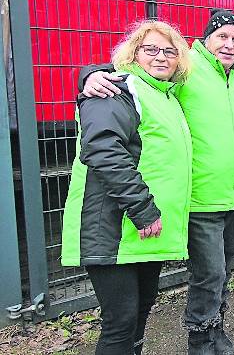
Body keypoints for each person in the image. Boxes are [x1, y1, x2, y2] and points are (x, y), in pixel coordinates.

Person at [80, 9, 234, 354]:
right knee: (208, 276)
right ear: (204, 40)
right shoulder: (187, 71)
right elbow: (128, 80)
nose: (229, 44)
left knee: (219, 276)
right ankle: (201, 338)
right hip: (201, 198)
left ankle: (216, 330)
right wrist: (91, 74)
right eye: (222, 36)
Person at [61, 20, 192, 355]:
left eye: (169, 51)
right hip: (117, 226)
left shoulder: (165, 95)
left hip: (144, 230)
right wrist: (143, 209)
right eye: (151, 49)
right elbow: (103, 151)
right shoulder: (116, 90)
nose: (161, 57)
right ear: (133, 53)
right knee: (119, 322)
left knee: (140, 310)